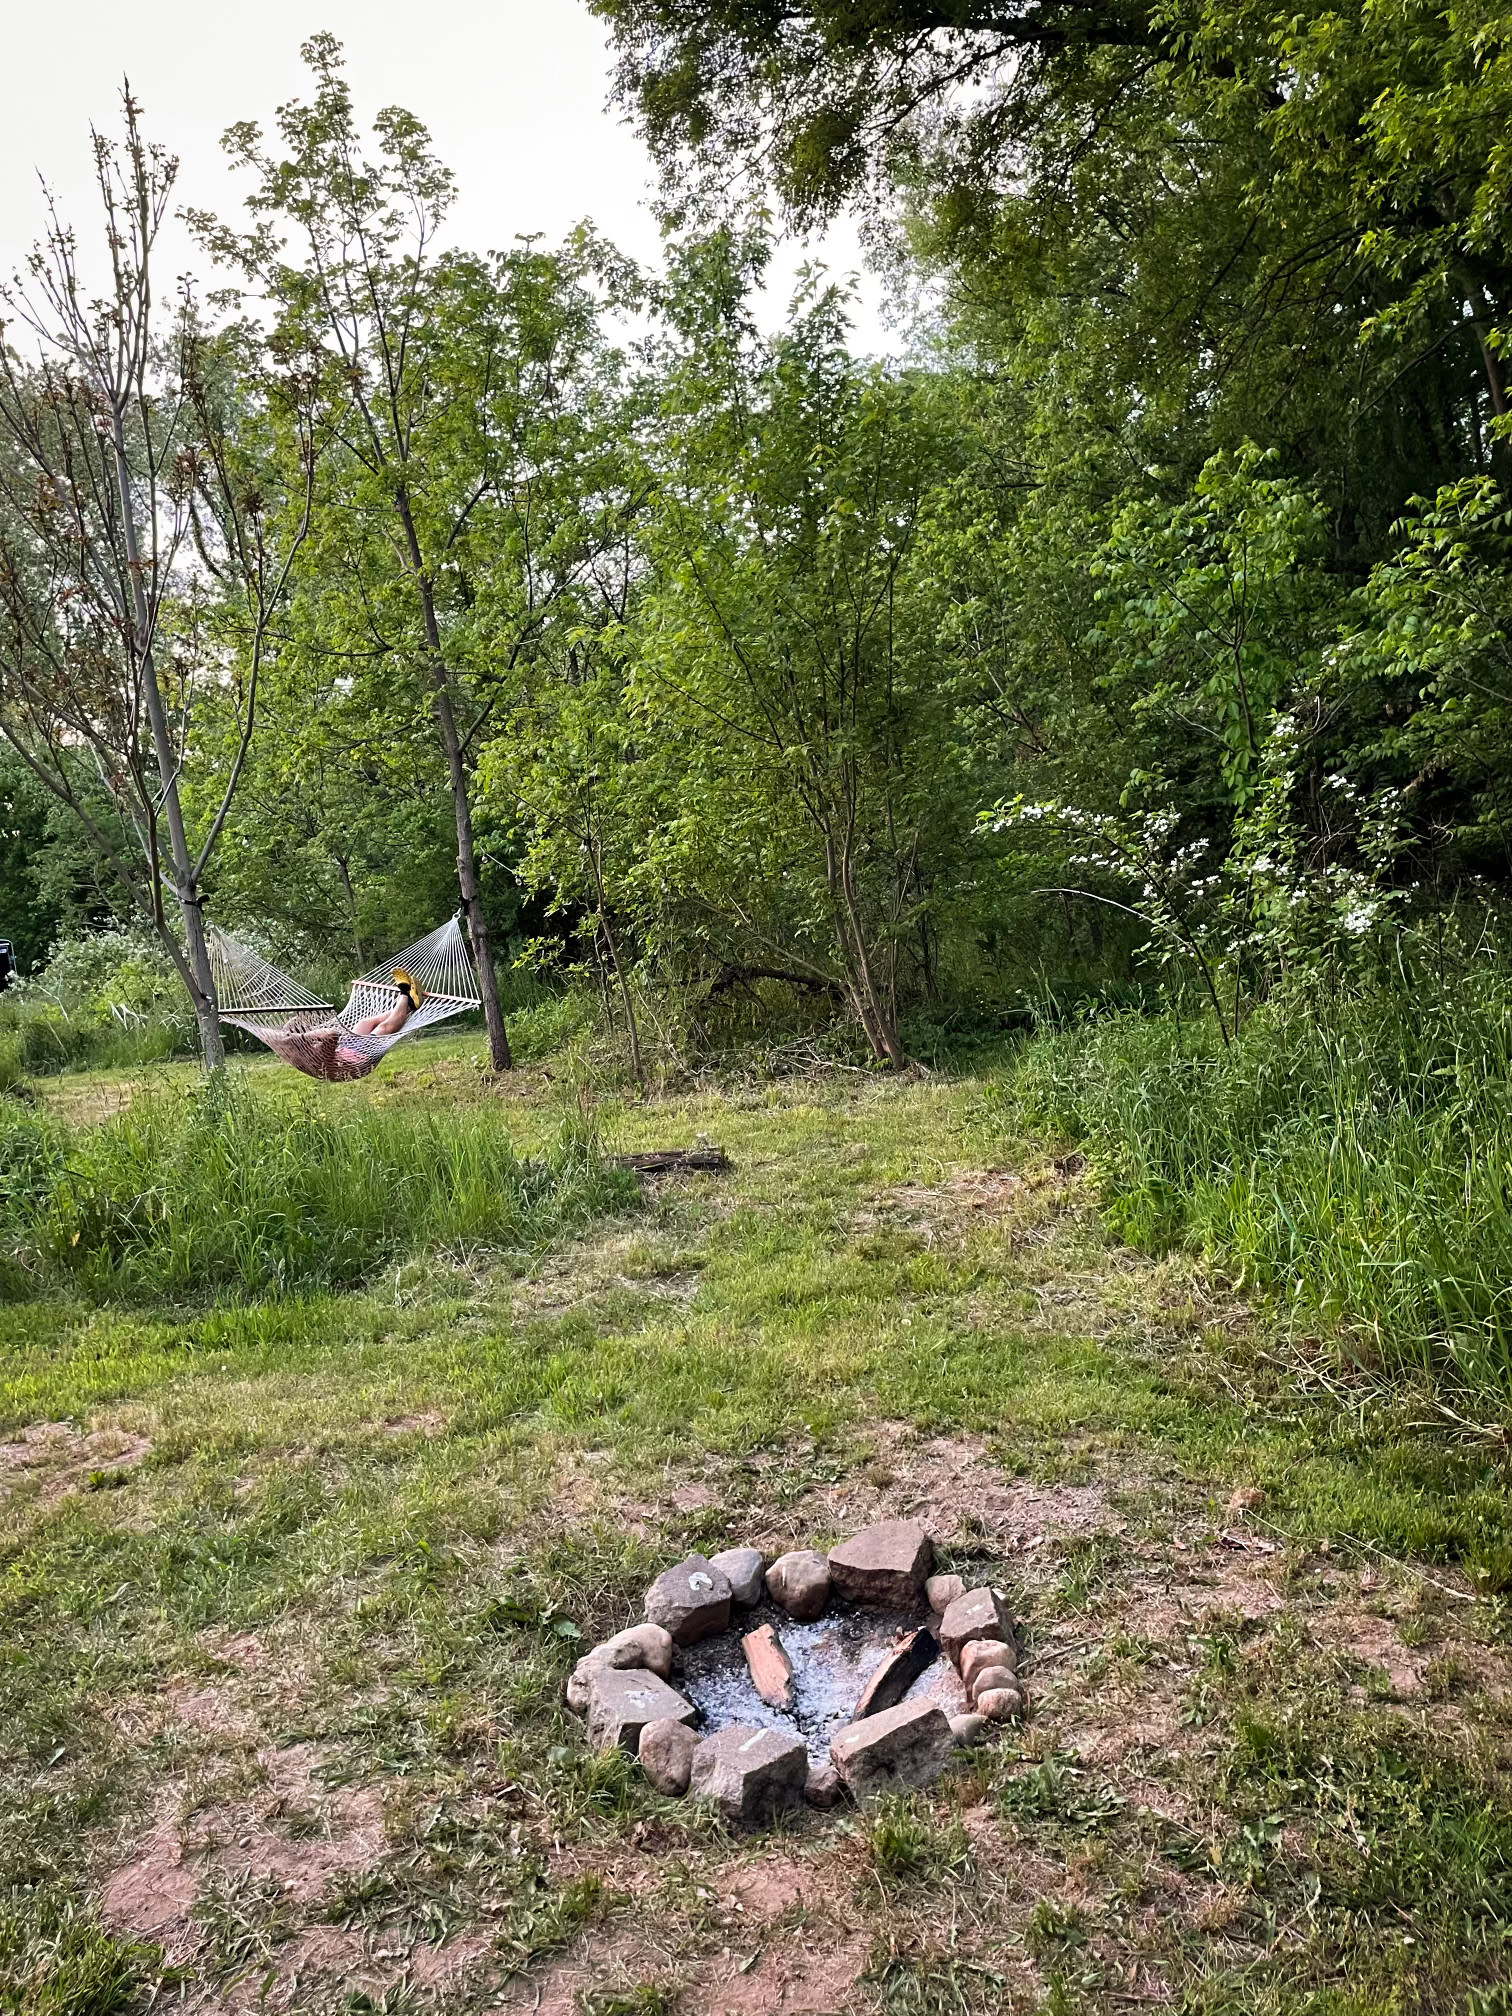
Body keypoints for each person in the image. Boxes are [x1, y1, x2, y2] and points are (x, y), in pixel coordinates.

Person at [278, 969, 420, 1079]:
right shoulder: (314, 1056)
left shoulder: (303, 1050)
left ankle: (409, 1006)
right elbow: (332, 1035)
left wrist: (293, 1033)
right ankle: (405, 993)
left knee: (364, 1022)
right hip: (358, 1060)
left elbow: (282, 1035)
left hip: (347, 1049)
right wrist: (304, 1036)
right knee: (384, 1028)